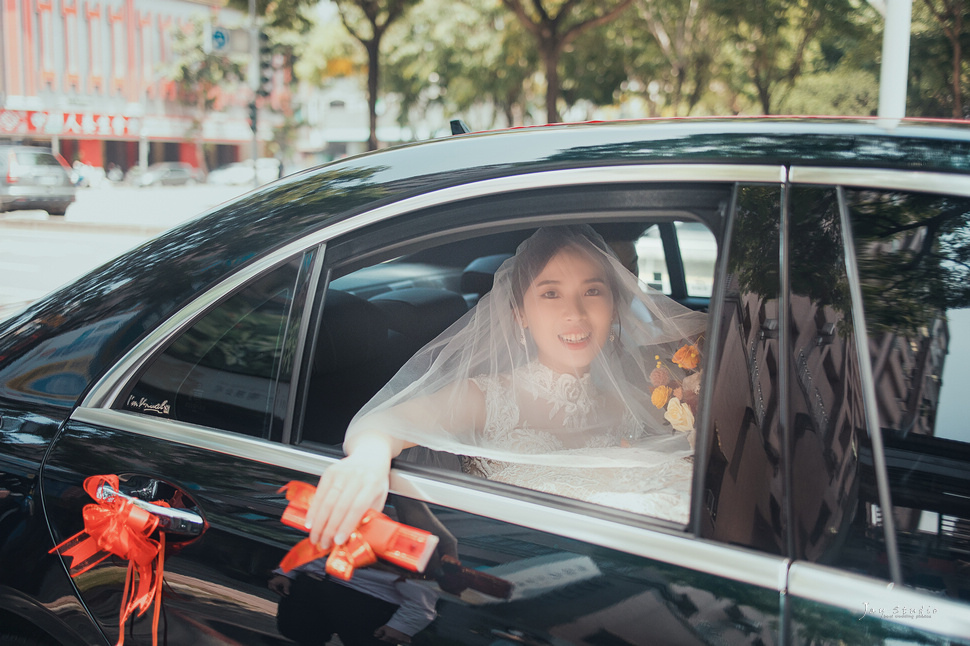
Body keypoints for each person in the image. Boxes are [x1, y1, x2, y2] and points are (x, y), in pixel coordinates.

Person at [306, 226, 707, 551]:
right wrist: (367, 462)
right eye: (550, 293)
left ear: (613, 306)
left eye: (592, 291)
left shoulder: (634, 403)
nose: (575, 313)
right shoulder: (491, 398)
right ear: (520, 315)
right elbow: (380, 423)